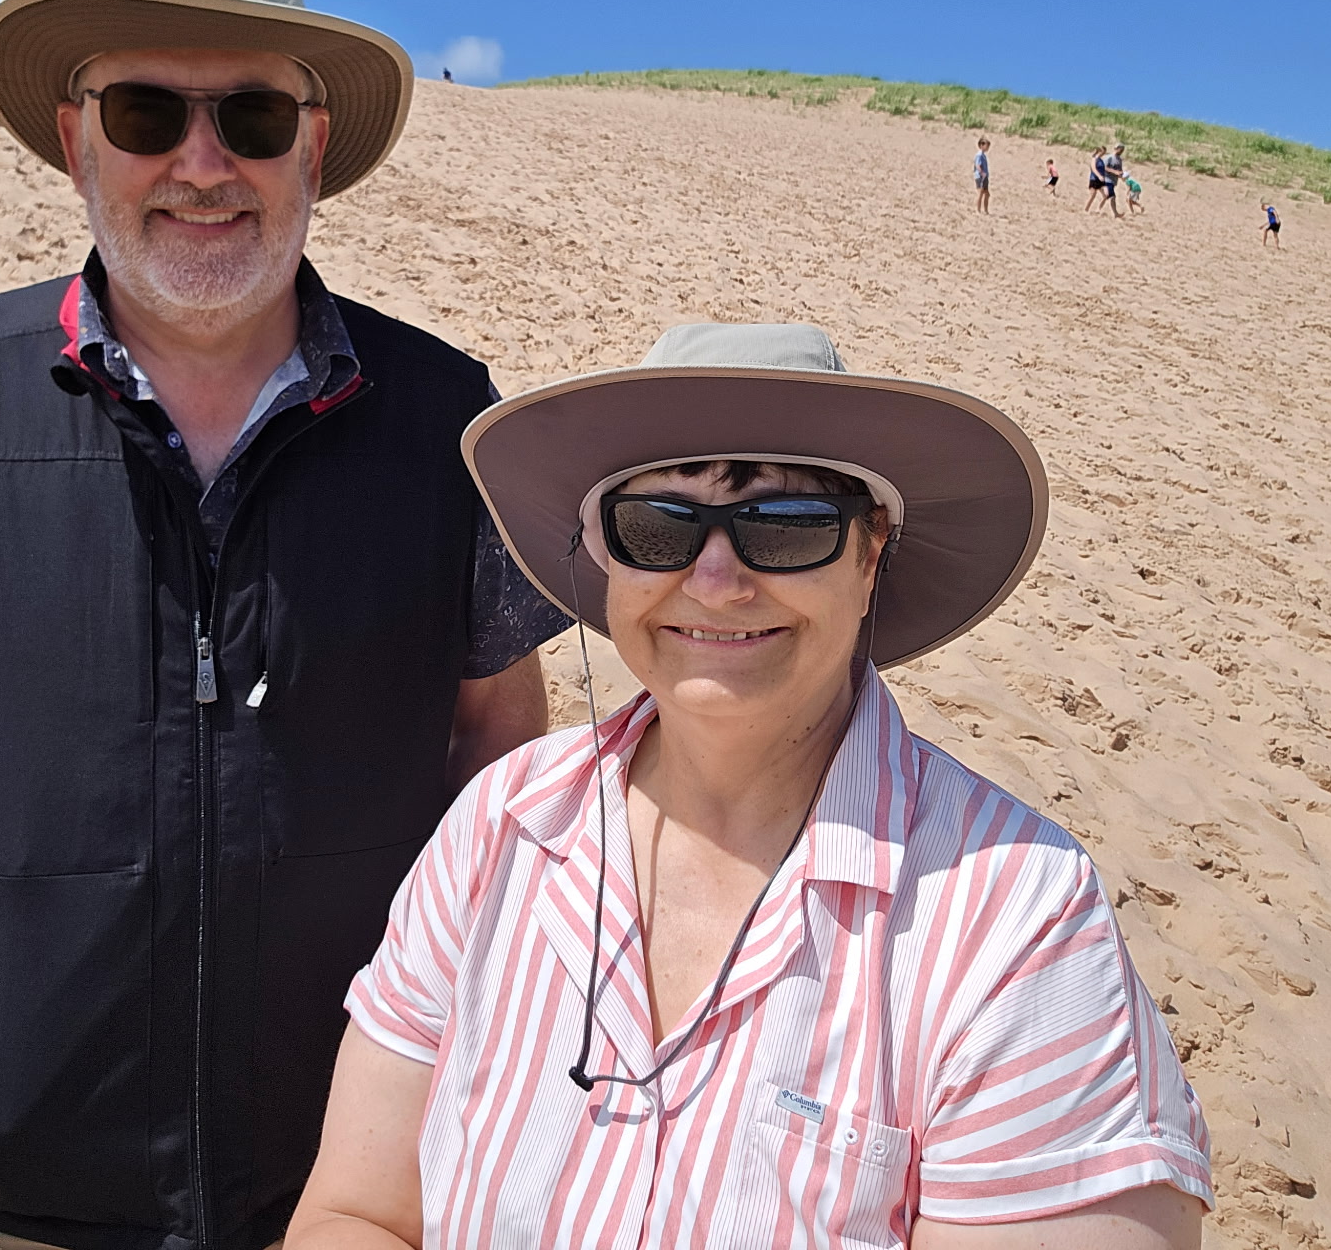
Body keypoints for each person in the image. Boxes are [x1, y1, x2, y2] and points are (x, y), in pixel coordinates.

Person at [0, 0, 569, 1250]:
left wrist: (438, 1009)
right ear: (78, 136)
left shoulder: (445, 421)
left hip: (339, 1193)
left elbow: (497, 724)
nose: (204, 164)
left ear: (312, 144)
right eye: (148, 111)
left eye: (252, 118)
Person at [289, 324, 1215, 1249]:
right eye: (657, 524)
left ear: (871, 554)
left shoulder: (1018, 922)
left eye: (787, 526)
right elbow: (360, 1212)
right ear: (604, 553)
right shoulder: (500, 823)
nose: (717, 581)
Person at [972, 136, 991, 213]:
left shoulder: (983, 155)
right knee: (980, 193)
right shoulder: (979, 155)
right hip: (980, 176)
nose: (988, 148)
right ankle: (978, 210)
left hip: (984, 176)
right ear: (981, 145)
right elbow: (977, 165)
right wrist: (982, 173)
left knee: (987, 194)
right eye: (986, 145)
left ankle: (986, 210)